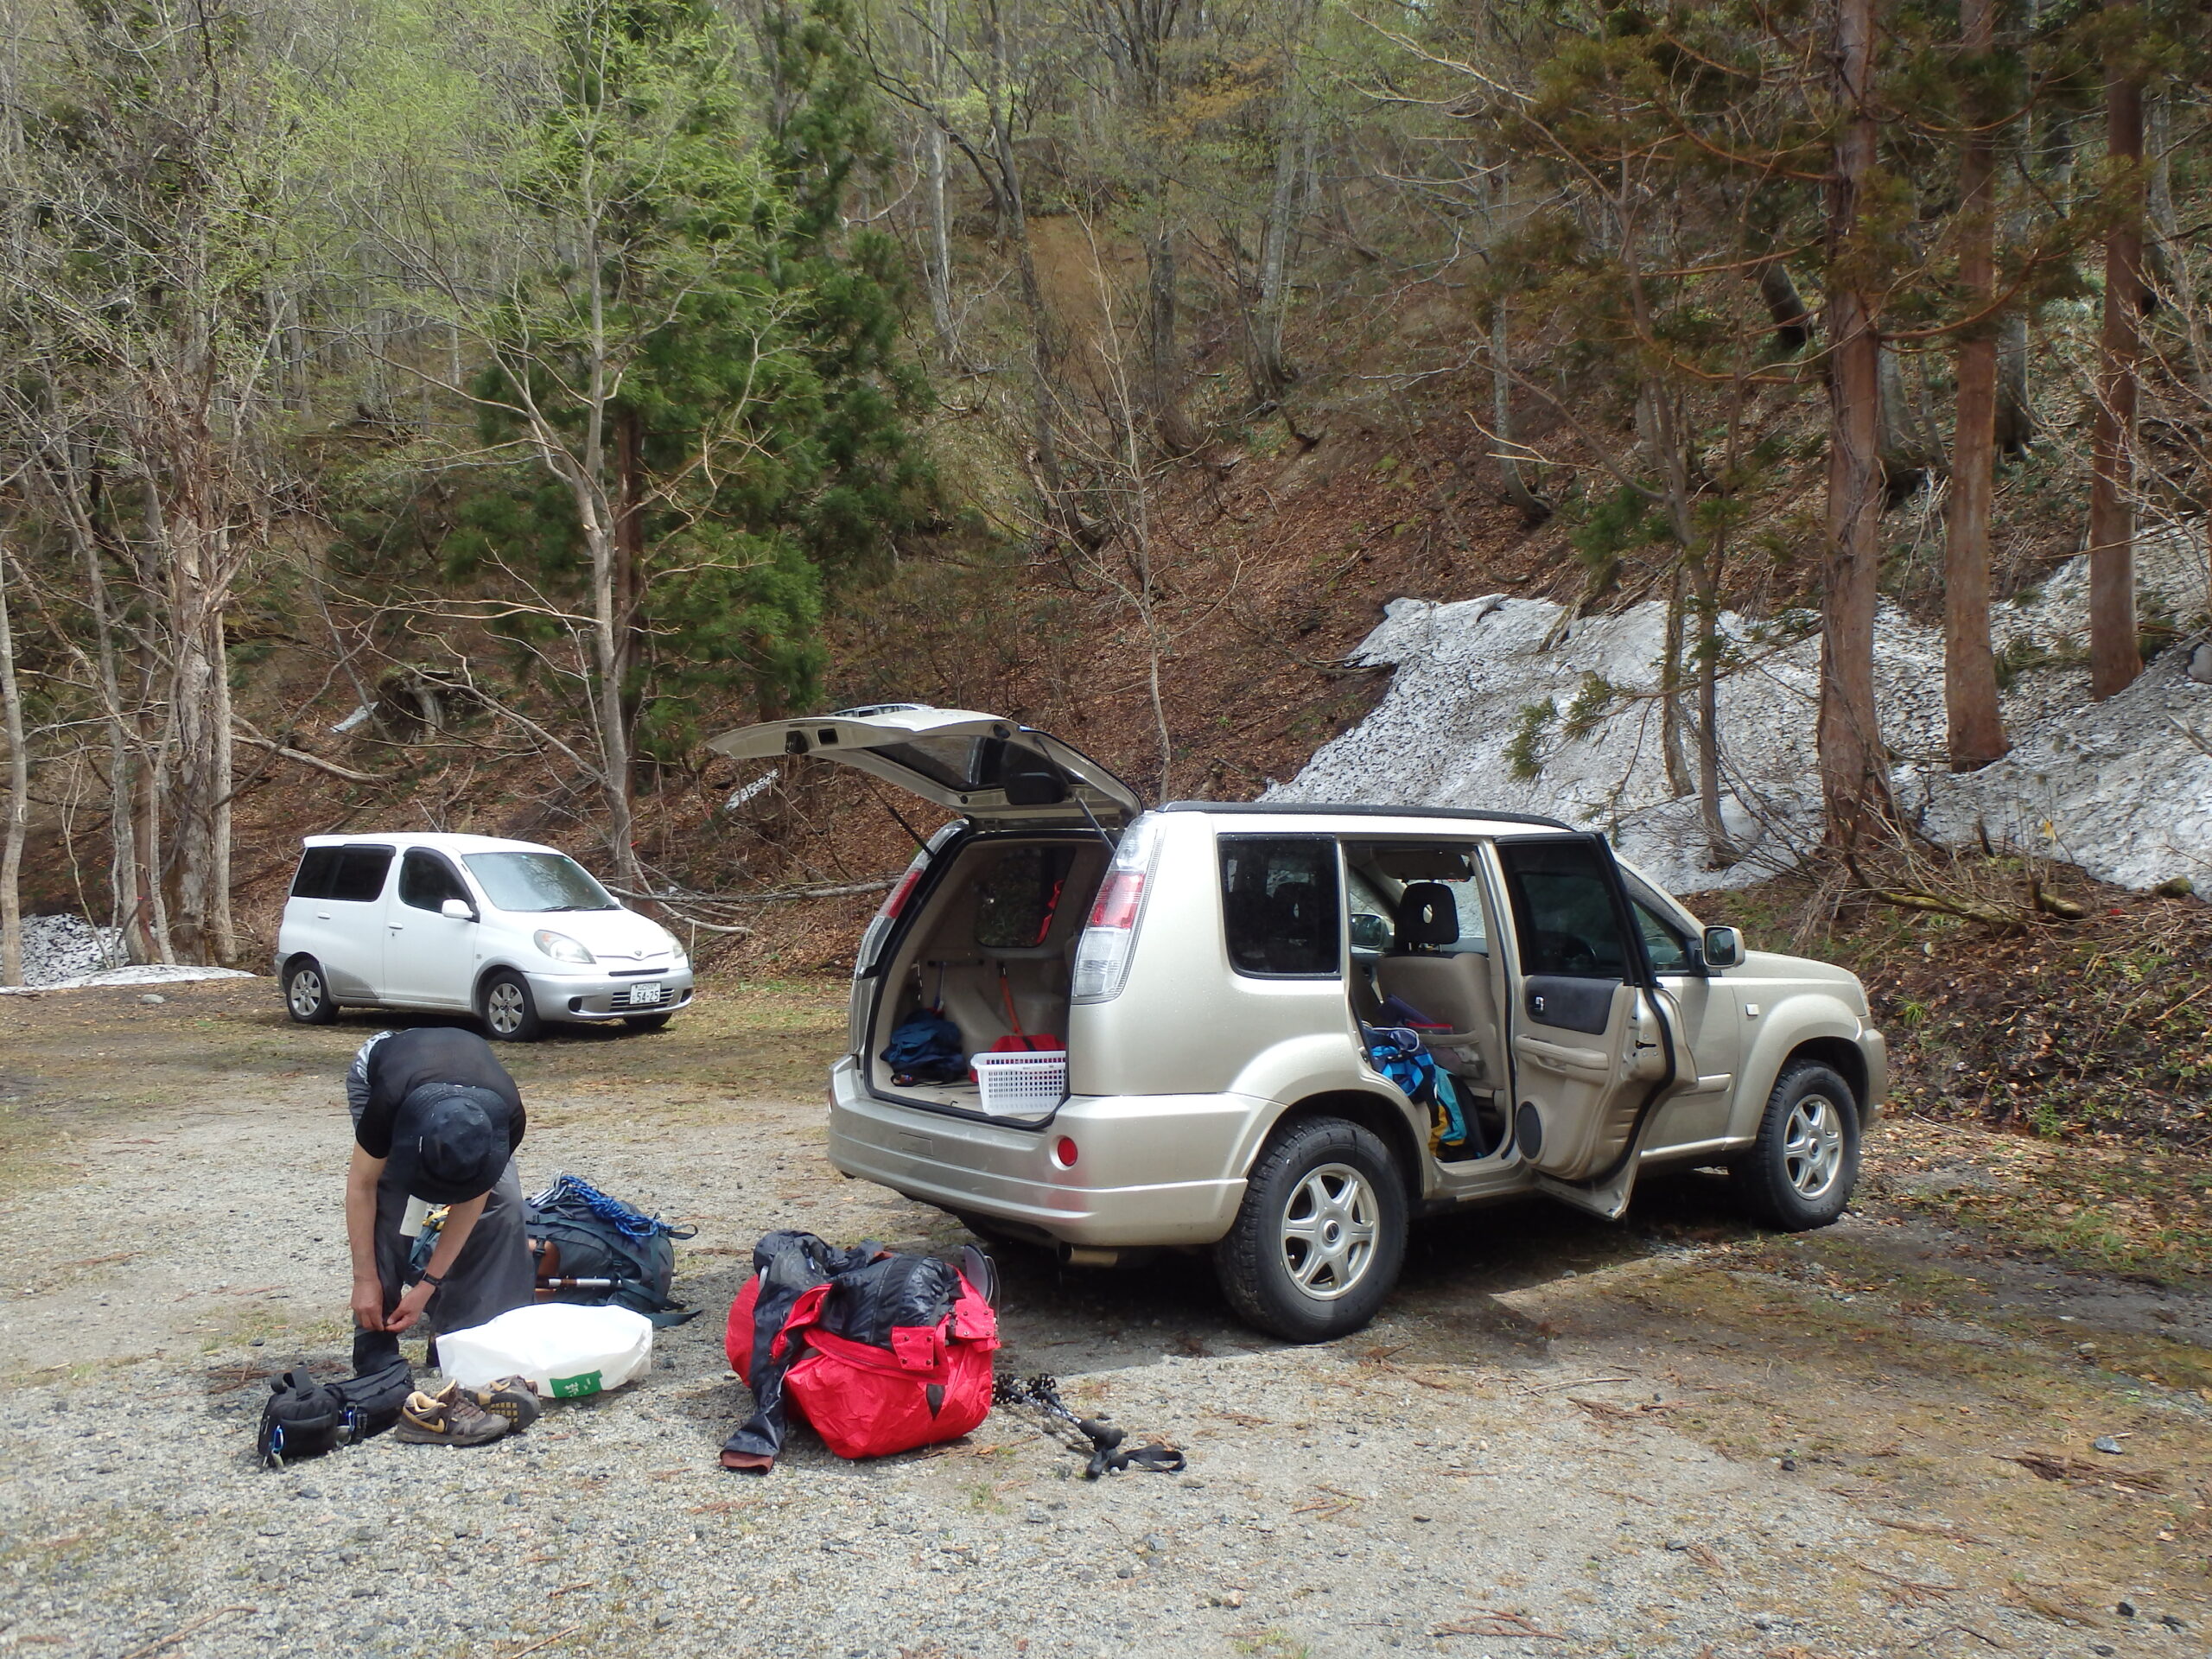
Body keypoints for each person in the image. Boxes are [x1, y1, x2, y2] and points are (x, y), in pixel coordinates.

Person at [344, 1027, 536, 1379]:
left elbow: (472, 1200)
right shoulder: (389, 1101)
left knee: (506, 1204)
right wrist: (364, 1279)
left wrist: (427, 1285)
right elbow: (362, 1187)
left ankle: (462, 1332)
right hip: (392, 1073)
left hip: (475, 1097)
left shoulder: (507, 1115)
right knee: (394, 1200)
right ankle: (375, 1336)